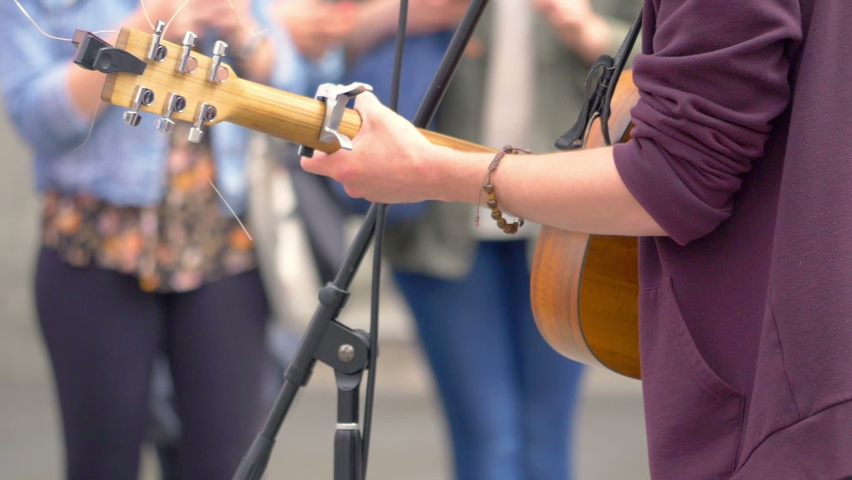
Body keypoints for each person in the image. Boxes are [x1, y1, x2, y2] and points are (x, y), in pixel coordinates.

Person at [302, 0, 852, 478]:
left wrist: (433, 172)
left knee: (541, 439)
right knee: (488, 434)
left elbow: (677, 174)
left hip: (794, 399)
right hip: (460, 231)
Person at [0, 0, 340, 478]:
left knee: (226, 465)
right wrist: (144, 25)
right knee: (101, 464)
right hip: (94, 250)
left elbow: (300, 91)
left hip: (223, 251)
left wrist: (244, 30)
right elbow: (37, 119)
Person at [335, 0, 639, 478]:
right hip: (439, 222)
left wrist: (589, 30)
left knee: (546, 438)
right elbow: (312, 44)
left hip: (569, 223)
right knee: (487, 437)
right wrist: (406, 15)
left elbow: (678, 63)